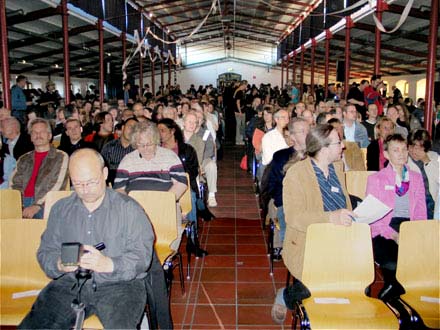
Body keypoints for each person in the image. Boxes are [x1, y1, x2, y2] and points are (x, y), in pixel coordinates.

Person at [18, 149, 155, 329]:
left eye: (91, 182)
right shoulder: (61, 210)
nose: (85, 189)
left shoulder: (128, 209)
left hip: (120, 286)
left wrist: (109, 264)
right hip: (70, 283)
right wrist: (59, 264)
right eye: (78, 184)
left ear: (105, 174)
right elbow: (45, 252)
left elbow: (142, 256)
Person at [271, 124, 354, 324]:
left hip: (340, 240)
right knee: (317, 284)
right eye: (338, 142)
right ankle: (286, 296)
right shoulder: (297, 174)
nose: (343, 146)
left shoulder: (337, 169)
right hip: (308, 243)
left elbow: (345, 204)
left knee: (359, 285)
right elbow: (294, 217)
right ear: (324, 149)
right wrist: (330, 218)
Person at [366, 134, 427, 301]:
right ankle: (389, 301)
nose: (401, 153)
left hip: (409, 227)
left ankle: (388, 299)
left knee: (420, 264)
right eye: (395, 150)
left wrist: (414, 232)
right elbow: (374, 218)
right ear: (386, 154)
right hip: (384, 229)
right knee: (395, 264)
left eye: (404, 149)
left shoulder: (416, 178)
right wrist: (394, 235)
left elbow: (421, 210)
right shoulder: (375, 179)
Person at [10, 118, 69, 219]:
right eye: (34, 132)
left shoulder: (61, 156)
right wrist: (19, 205)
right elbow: (14, 184)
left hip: (47, 203)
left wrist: (37, 205)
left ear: (50, 136)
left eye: (42, 132)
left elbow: (57, 185)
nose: (38, 135)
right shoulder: (23, 159)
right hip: (23, 202)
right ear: (31, 137)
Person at [268, 118, 310, 256]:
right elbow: (273, 186)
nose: (308, 133)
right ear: (292, 136)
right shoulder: (281, 156)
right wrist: (284, 202)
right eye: (302, 131)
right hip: (288, 203)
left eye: (309, 130)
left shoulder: (316, 154)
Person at [407, 129, 439, 220]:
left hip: (435, 201)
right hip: (417, 202)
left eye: (417, 148)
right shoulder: (404, 160)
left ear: (425, 148)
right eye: (411, 147)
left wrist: (426, 160)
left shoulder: (435, 157)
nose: (413, 151)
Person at [101, 117, 137, 186]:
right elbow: (102, 167)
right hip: (111, 184)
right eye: (130, 127)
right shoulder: (109, 146)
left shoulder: (138, 149)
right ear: (123, 128)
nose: (132, 130)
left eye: (135, 129)